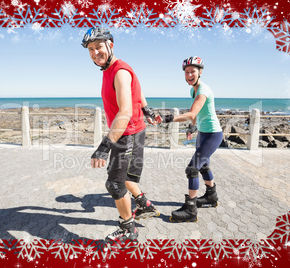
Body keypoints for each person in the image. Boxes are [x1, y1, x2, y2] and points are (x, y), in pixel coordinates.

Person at [81, 27, 160, 243]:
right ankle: (144, 205)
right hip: (128, 132)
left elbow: (124, 111)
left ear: (110, 45)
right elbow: (139, 90)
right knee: (125, 177)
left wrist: (104, 147)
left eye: (98, 47)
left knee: (115, 184)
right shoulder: (111, 70)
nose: (95, 52)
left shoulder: (120, 71)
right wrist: (147, 109)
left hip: (127, 134)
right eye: (90, 49)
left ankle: (127, 231)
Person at [161, 56, 223, 222]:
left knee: (192, 169)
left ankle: (191, 210)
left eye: (192, 72)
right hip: (203, 132)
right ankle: (211, 197)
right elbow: (195, 113)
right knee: (203, 166)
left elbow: (191, 113)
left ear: (200, 72)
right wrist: (192, 127)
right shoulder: (193, 90)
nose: (189, 75)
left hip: (213, 134)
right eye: (187, 72)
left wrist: (169, 118)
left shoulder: (203, 90)